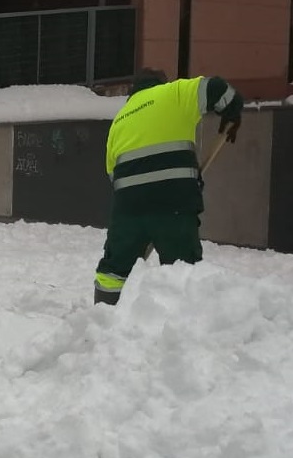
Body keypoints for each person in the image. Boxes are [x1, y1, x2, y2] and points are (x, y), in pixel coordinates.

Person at [93, 68, 242, 305]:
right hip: (173, 204)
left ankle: (103, 317)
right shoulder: (174, 93)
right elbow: (218, 89)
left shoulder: (120, 120)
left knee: (114, 269)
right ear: (160, 83)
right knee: (182, 268)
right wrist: (232, 110)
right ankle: (181, 325)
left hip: (129, 207)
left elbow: (114, 175)